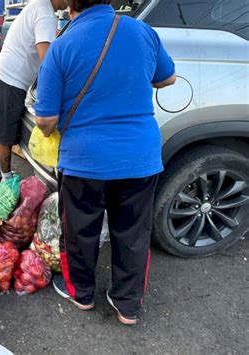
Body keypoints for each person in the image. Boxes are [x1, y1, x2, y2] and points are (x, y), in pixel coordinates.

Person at [34, 0, 176, 325]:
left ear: (70, 3)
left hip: (84, 161)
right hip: (138, 157)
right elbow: (167, 78)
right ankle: (127, 306)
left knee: (80, 230)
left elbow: (45, 119)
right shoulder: (142, 32)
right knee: (133, 231)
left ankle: (81, 294)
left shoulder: (62, 45)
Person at [0, 0, 68, 181]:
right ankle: (6, 180)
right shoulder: (45, 13)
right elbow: (47, 59)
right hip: (10, 83)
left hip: (1, 79)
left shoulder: (38, 6)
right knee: (6, 137)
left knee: (2, 129)